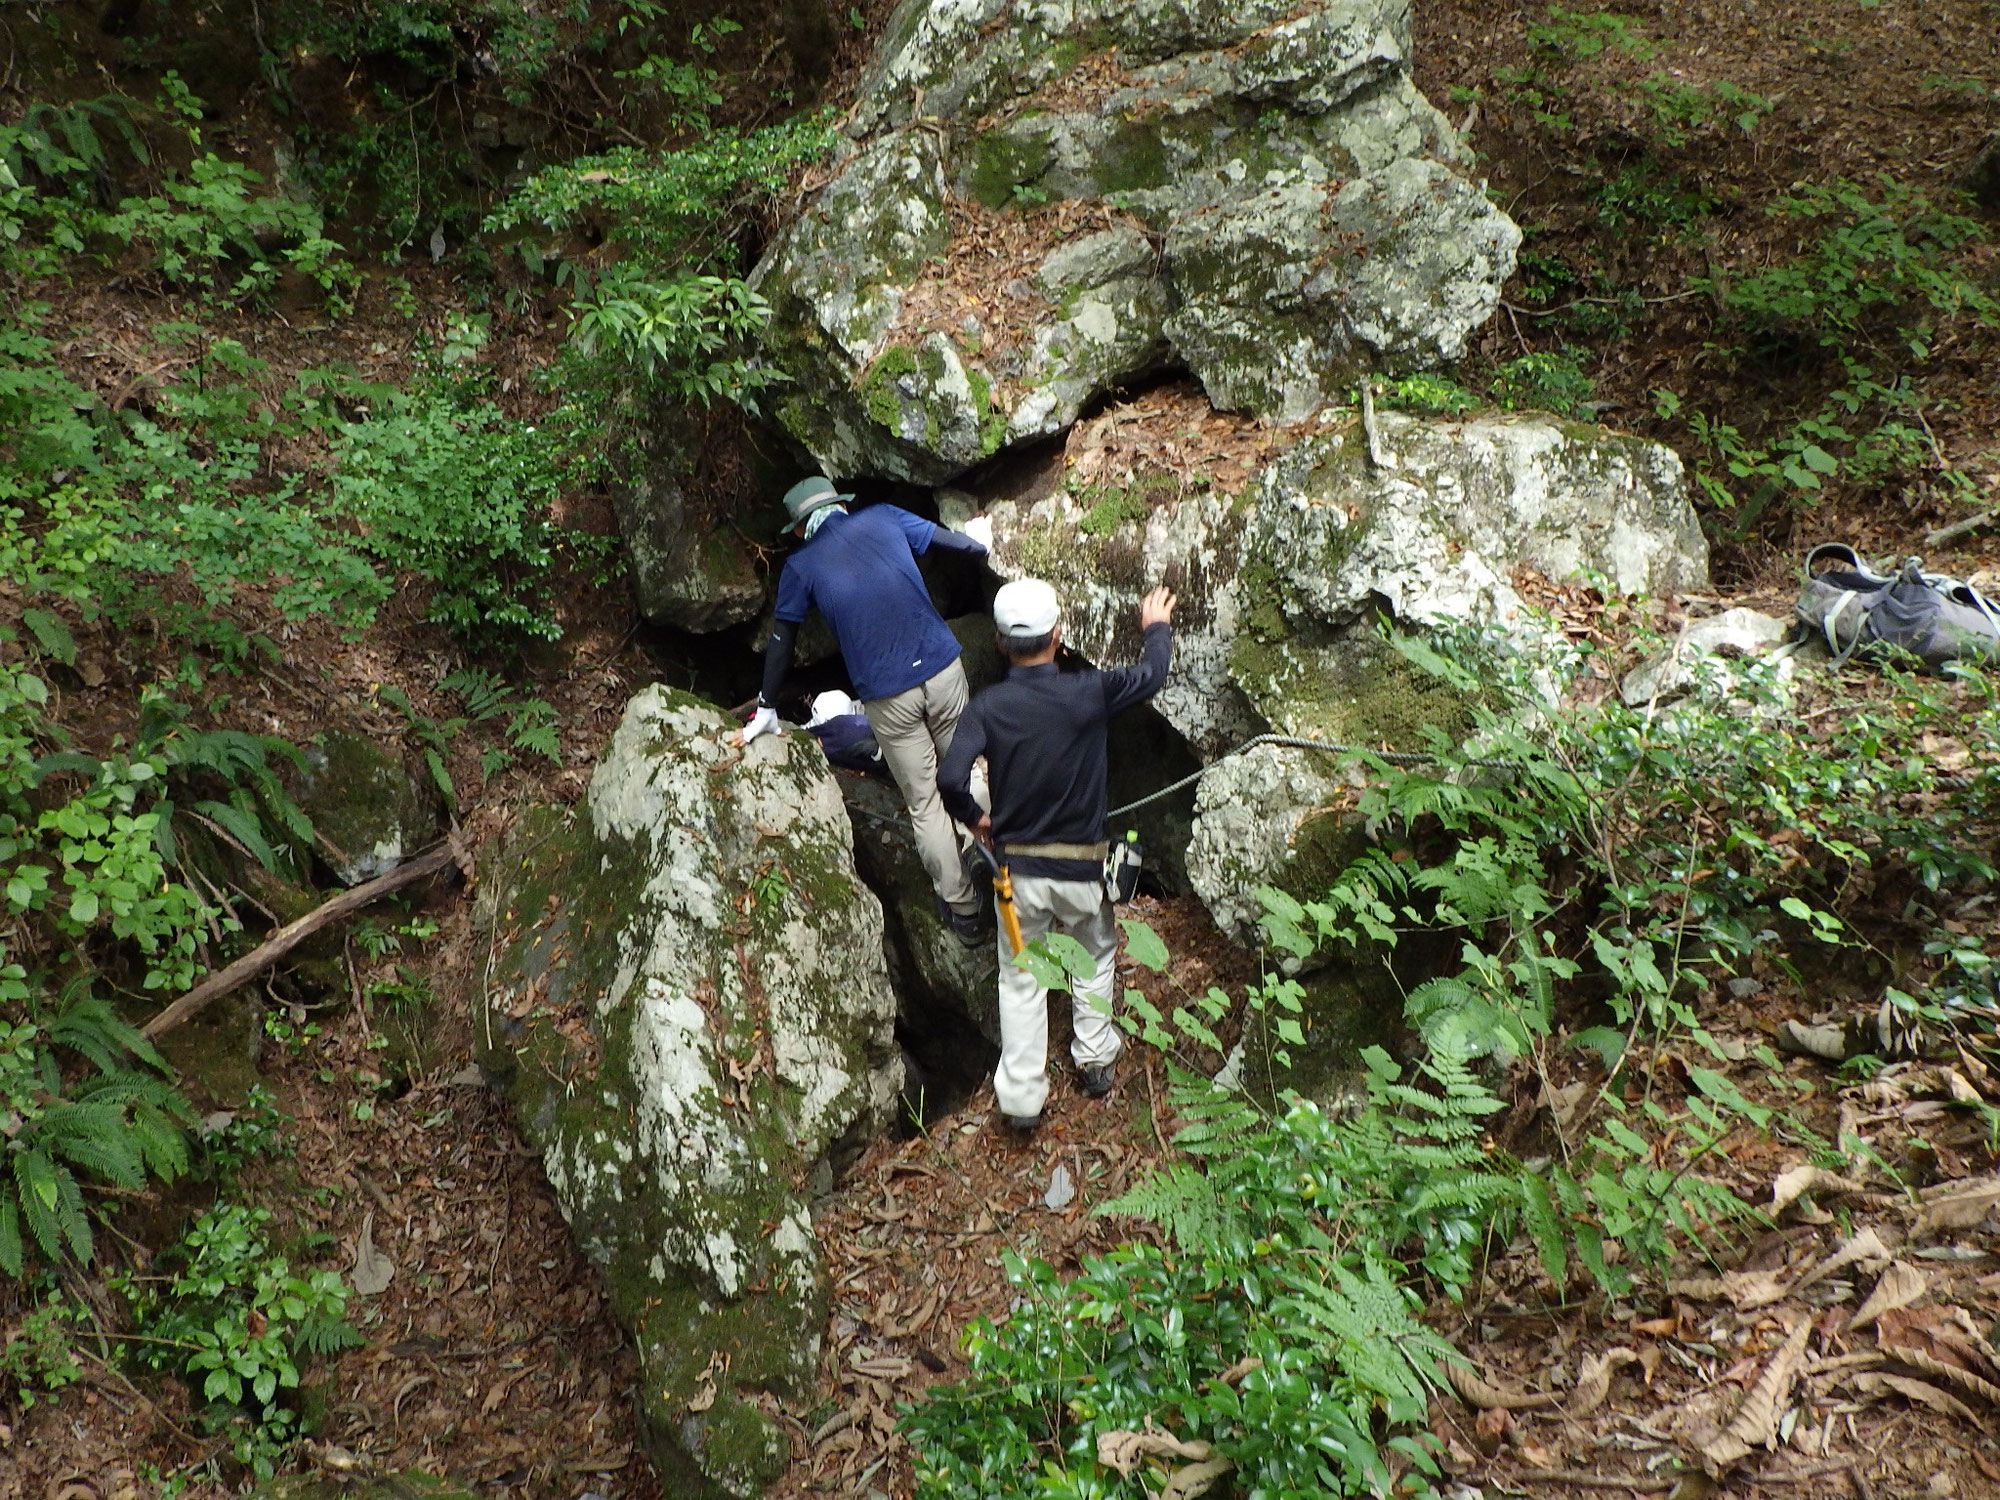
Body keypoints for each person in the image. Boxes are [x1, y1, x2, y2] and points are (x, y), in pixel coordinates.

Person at [937, 577, 1177, 1130]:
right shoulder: (1088, 691)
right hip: (1083, 870)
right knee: (1094, 957)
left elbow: (951, 777)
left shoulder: (989, 707)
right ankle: (1094, 1061)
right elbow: (1152, 676)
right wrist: (1155, 628)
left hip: (1017, 875)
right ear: (1059, 633)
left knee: (1021, 979)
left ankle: (1022, 1102)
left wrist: (979, 822)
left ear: (1001, 643)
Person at [744, 475, 995, 944]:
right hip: (942, 668)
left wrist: (766, 707)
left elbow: (782, 641)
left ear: (800, 529)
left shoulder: (801, 566)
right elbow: (948, 542)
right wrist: (978, 543)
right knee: (968, 771)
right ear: (840, 506)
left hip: (888, 694)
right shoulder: (882, 516)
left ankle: (965, 912)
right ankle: (1001, 860)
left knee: (923, 802)